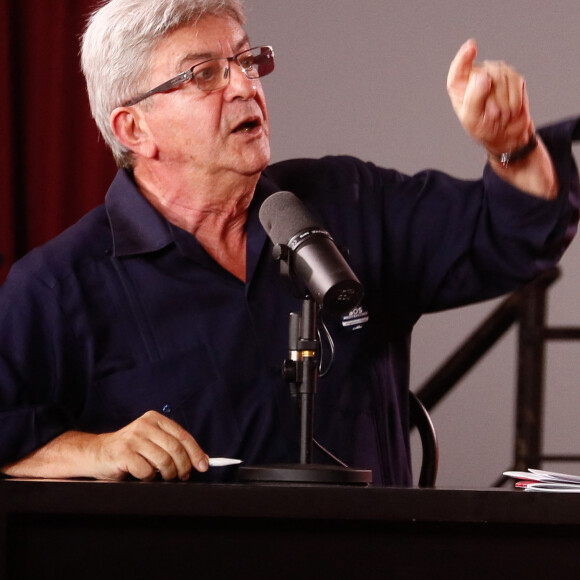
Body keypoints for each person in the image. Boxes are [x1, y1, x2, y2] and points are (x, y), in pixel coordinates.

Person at [0, 0, 578, 487]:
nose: (244, 86)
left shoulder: (349, 201)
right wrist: (91, 451)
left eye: (245, 61)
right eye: (204, 74)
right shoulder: (58, 286)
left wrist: (513, 148)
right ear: (134, 129)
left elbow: (510, 236)